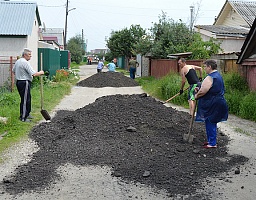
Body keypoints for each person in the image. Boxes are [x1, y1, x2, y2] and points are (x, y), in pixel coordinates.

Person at [195, 59, 228, 148]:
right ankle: (211, 140)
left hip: (212, 103)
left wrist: (196, 96)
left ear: (209, 67)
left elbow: (203, 91)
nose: (204, 69)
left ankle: (212, 143)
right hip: (217, 101)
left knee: (210, 121)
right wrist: (199, 89)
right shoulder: (218, 76)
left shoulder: (210, 77)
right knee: (211, 121)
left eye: (205, 67)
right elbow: (210, 88)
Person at [12, 48, 44, 122]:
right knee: (25, 100)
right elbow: (34, 74)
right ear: (25, 55)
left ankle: (27, 113)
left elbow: (13, 71)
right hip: (24, 82)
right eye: (29, 54)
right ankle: (23, 117)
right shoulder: (25, 62)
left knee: (27, 98)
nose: (30, 56)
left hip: (19, 82)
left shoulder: (18, 61)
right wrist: (41, 72)